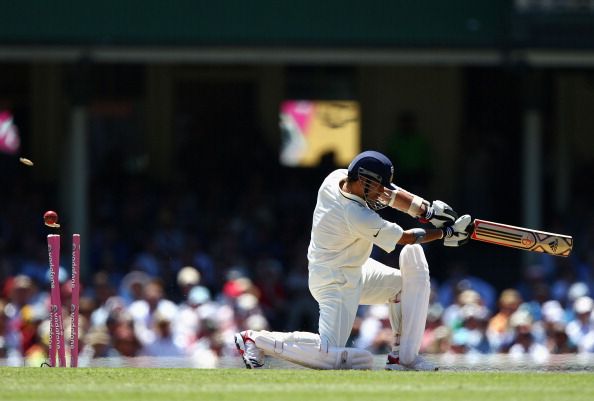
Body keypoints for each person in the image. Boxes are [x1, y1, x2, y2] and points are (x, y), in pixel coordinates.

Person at [234, 150, 471, 371]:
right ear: (364, 181)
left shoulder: (337, 177)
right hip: (334, 281)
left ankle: (400, 357)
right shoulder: (356, 214)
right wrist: (446, 233)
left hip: (355, 268)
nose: (381, 194)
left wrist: (427, 212)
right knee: (329, 354)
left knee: (403, 287)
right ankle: (254, 339)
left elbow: (392, 194)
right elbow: (404, 238)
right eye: (378, 187)